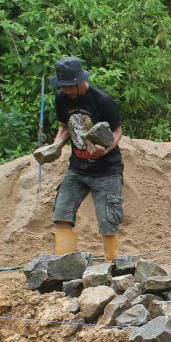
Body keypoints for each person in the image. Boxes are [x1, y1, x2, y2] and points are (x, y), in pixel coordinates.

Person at [48, 56, 124, 261]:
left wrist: (105, 149)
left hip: (106, 170)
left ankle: (113, 265)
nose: (68, 91)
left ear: (81, 80)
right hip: (77, 168)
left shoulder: (102, 100)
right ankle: (64, 264)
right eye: (64, 86)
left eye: (71, 86)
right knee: (61, 214)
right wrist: (56, 146)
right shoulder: (61, 98)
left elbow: (117, 131)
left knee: (108, 222)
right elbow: (65, 126)